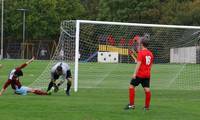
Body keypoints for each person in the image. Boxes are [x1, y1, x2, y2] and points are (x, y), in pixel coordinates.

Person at [125, 36, 154, 110]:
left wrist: (134, 73)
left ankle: (131, 105)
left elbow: (138, 64)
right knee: (147, 89)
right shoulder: (150, 54)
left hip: (140, 74)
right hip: (147, 74)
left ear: (142, 44)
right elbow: (150, 65)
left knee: (131, 86)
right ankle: (147, 107)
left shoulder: (141, 53)